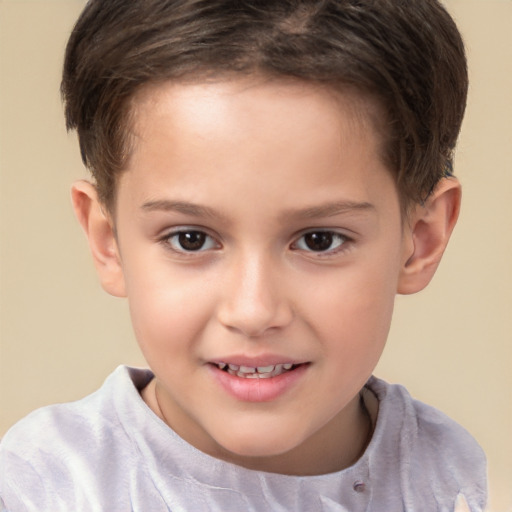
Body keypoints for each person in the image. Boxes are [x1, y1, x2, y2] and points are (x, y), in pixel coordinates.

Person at [0, 0, 487, 510]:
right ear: (108, 240)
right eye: (190, 239)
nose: (253, 311)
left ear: (421, 239)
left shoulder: (445, 474)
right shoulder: (48, 484)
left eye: (319, 240)